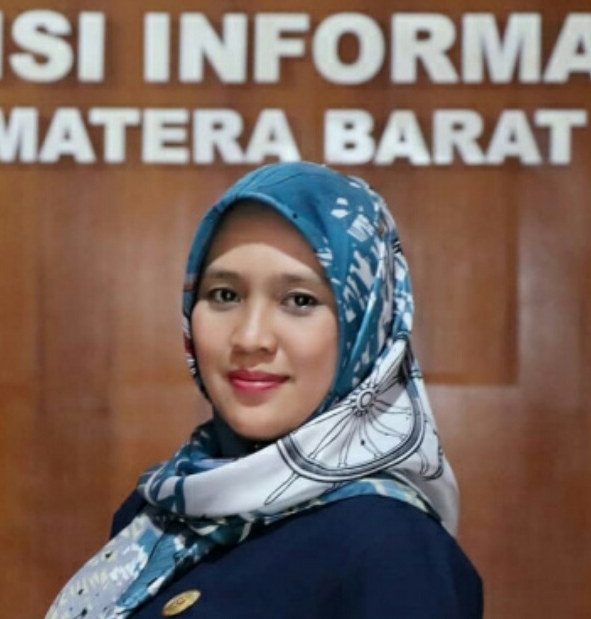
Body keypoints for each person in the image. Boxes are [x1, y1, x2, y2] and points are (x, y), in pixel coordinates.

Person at [45, 162, 483, 619]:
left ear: (366, 326)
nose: (250, 338)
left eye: (300, 300)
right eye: (225, 295)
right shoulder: (159, 514)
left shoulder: (389, 547)